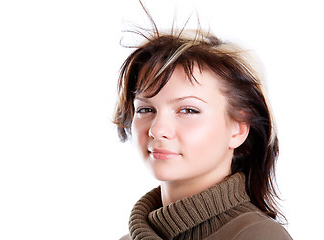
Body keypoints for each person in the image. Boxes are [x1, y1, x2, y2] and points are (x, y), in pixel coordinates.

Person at [114, 6, 292, 240]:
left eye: (188, 110)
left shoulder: (258, 236)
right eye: (146, 109)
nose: (157, 130)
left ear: (238, 129)